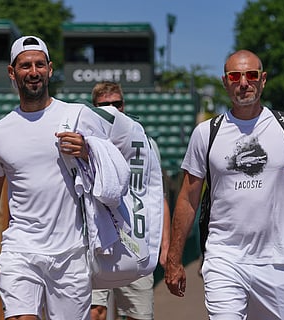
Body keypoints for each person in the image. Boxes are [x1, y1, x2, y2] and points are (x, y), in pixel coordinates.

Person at [164, 50, 284, 319]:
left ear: (262, 80)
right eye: (235, 76)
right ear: (225, 81)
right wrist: (174, 259)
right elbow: (187, 197)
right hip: (224, 257)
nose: (243, 82)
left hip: (279, 260)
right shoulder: (206, 133)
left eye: (251, 75)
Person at [0, 36, 123, 320]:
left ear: (50, 69)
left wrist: (88, 150)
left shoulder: (78, 115)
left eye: (39, 65)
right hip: (20, 249)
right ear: (12, 72)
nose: (33, 72)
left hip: (72, 254)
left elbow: (116, 170)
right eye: (25, 66)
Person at [89, 81, 171, 320]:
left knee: (139, 316)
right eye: (105, 105)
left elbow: (158, 198)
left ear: (124, 106)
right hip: (98, 242)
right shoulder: (85, 142)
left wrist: (164, 246)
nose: (112, 109)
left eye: (117, 103)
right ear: (95, 108)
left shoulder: (145, 143)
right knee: (95, 312)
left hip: (136, 238)